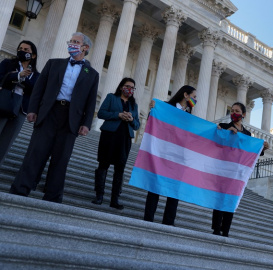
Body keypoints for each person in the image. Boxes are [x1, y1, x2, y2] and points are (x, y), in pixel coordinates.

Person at [9, 32, 99, 203]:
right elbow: (38, 89)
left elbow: (91, 101)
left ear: (85, 48)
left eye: (75, 42)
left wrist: (87, 123)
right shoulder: (54, 64)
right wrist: (32, 109)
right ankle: (20, 190)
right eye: (70, 41)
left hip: (71, 119)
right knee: (35, 153)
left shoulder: (92, 74)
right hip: (49, 112)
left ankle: (52, 197)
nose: (71, 44)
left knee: (61, 159)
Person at [212, 102, 269, 237]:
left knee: (232, 199)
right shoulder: (225, 126)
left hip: (238, 173)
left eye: (237, 111)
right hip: (224, 169)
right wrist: (225, 132)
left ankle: (225, 229)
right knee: (220, 197)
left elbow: (251, 151)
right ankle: (216, 228)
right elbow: (217, 142)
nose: (233, 113)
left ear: (243, 114)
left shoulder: (247, 134)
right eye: (232, 110)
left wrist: (263, 148)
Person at [143, 85, 197, 226]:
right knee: (155, 186)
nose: (195, 100)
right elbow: (153, 121)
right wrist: (153, 109)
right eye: (194, 96)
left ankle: (168, 223)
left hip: (179, 157)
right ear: (186, 95)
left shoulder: (189, 116)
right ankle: (148, 220)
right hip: (162, 153)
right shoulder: (165, 106)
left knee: (174, 191)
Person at [91, 78, 140, 210]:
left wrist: (131, 119)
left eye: (132, 87)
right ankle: (99, 196)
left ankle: (115, 199)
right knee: (103, 164)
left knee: (120, 169)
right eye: (127, 86)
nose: (130, 89)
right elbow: (101, 113)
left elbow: (137, 125)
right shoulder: (111, 97)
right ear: (121, 87)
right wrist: (118, 115)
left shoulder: (134, 105)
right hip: (109, 135)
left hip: (125, 139)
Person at [0, 40, 40, 166]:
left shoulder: (36, 75)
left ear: (33, 55)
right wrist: (18, 75)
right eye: (20, 48)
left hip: (21, 108)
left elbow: (35, 91)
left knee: (7, 140)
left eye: (26, 50)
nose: (22, 51)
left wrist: (22, 79)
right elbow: (1, 78)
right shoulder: (7, 64)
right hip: (4, 102)